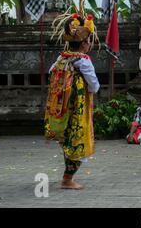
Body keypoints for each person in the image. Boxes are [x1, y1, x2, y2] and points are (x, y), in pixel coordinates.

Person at [44, 13, 99, 190]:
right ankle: (67, 180)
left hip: (63, 108)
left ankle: (67, 177)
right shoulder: (83, 61)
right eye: (89, 41)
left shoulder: (62, 58)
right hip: (78, 109)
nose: (90, 44)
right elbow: (94, 85)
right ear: (85, 43)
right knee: (78, 140)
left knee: (68, 140)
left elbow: (51, 72)